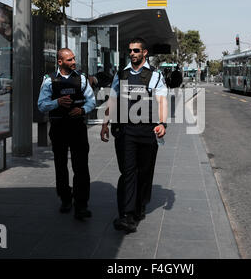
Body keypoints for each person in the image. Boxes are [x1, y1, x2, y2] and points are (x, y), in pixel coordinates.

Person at [100, 37, 168, 233]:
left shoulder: (155, 75)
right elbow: (112, 100)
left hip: (148, 131)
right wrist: (105, 123)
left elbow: (162, 101)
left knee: (144, 173)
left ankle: (139, 206)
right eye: (130, 50)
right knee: (128, 171)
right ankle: (127, 214)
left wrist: (162, 123)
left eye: (136, 51)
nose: (132, 54)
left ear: (144, 53)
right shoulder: (121, 75)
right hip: (126, 131)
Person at [38, 48, 96, 220]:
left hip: (77, 128)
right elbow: (41, 105)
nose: (73, 62)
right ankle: (65, 198)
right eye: (69, 60)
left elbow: (92, 101)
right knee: (60, 165)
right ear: (60, 62)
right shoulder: (49, 80)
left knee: (81, 167)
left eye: (74, 59)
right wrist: (57, 102)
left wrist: (83, 109)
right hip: (59, 128)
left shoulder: (82, 79)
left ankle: (81, 205)